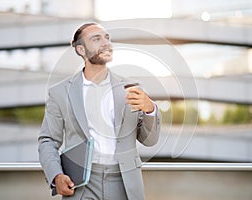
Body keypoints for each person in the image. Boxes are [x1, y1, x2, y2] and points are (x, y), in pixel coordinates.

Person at [38, 22, 161, 200]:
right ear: (81, 50)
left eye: (107, 38)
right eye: (96, 39)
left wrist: (151, 110)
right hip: (81, 184)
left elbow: (149, 140)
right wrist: (56, 175)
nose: (105, 43)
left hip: (123, 181)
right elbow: (48, 140)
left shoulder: (131, 88)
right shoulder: (60, 92)